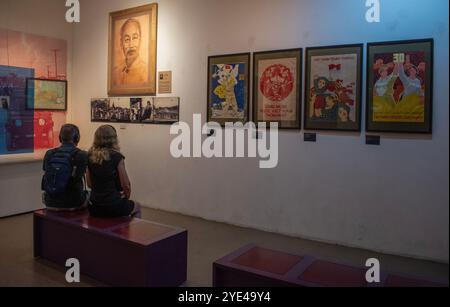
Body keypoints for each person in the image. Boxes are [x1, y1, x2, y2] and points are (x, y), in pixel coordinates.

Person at [87, 125, 141, 218]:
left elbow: (89, 184)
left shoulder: (90, 156)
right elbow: (126, 185)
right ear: (114, 139)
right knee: (137, 206)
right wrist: (126, 198)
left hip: (94, 206)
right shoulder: (117, 157)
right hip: (113, 205)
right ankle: (124, 232)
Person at [42, 124, 89, 211]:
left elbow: (46, 172)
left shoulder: (49, 153)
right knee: (90, 195)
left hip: (49, 202)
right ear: (77, 138)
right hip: (73, 202)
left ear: (60, 138)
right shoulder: (82, 155)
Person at [112, 18, 148, 86]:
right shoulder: (115, 73)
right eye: (127, 39)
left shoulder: (146, 72)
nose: (131, 45)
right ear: (121, 43)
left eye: (134, 38)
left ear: (140, 40)